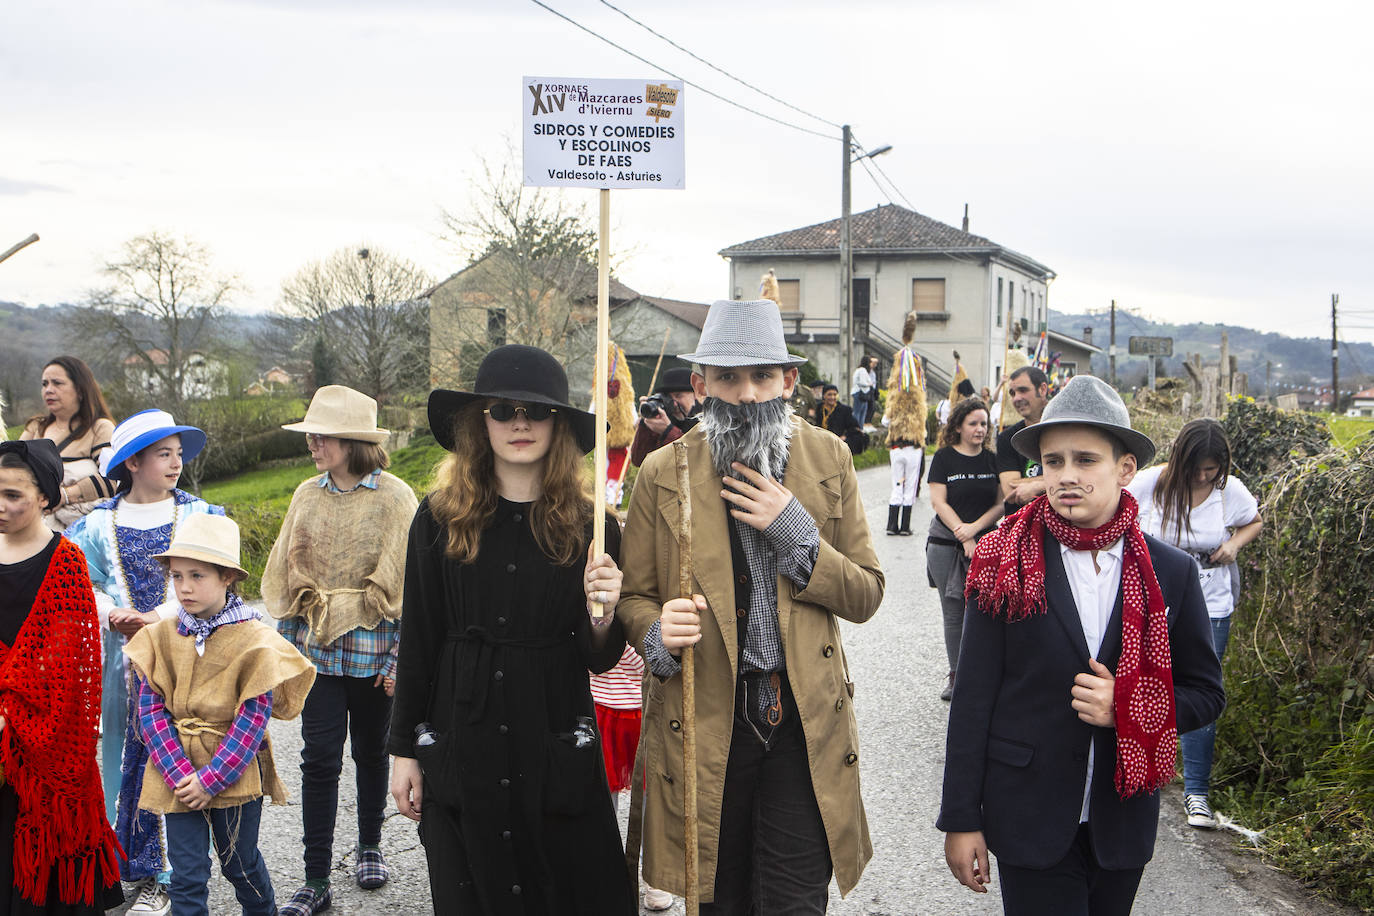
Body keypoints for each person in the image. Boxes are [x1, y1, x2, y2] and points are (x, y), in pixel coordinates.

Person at [620, 299, 885, 912]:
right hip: (705, 715)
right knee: (716, 896)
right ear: (700, 384)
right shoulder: (663, 473)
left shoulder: (829, 459)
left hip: (800, 722)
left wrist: (793, 529)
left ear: (789, 381)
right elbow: (634, 598)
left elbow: (867, 592)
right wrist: (657, 633)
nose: (747, 394)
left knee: (795, 902)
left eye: (763, 376)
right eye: (728, 377)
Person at [938, 374, 1226, 916]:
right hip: (1027, 813)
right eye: (1053, 462)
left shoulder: (1172, 573)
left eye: (1085, 460)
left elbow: (1206, 694)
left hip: (1121, 821)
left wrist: (1129, 706)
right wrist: (961, 818)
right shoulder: (1003, 562)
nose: (1066, 476)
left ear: (1124, 468)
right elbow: (973, 697)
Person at [387, 345, 636, 915]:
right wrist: (404, 751)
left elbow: (599, 656)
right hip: (462, 731)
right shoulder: (439, 517)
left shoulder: (593, 526)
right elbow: (420, 639)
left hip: (552, 730)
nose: (519, 422)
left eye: (537, 410)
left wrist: (602, 616)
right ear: (482, 422)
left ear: (559, 424)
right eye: (502, 410)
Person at [261, 385, 418, 916]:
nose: (313, 442)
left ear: (353, 440)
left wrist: (400, 660)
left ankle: (371, 846)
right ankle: (316, 877)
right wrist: (282, 658)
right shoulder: (307, 494)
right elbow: (287, 574)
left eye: (322, 434)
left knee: (373, 753)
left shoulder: (396, 498)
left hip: (377, 656)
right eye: (311, 433)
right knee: (318, 760)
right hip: (316, 652)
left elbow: (410, 587)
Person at [65, 408, 219, 916]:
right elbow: (78, 580)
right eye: (163, 454)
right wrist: (112, 614)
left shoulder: (200, 515)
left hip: (185, 655)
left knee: (177, 753)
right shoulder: (100, 522)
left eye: (178, 454)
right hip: (123, 662)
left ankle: (176, 871)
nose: (176, 463)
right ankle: (135, 864)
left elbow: (217, 578)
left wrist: (156, 612)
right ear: (131, 462)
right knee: (124, 756)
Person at [124, 514, 316, 916]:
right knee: (187, 875)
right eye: (176, 576)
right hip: (175, 771)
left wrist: (210, 780)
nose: (185, 587)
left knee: (239, 864)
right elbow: (150, 707)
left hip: (232, 770)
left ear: (228, 576)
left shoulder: (255, 641)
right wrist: (180, 774)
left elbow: (252, 719)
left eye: (197, 575)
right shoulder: (160, 636)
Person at [0, 439, 124, 914]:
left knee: (42, 877)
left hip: (41, 737)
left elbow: (69, 667)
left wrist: (10, 714)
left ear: (46, 498)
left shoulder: (65, 563)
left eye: (14, 494)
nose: (3, 506)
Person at [1126, 418, 1261, 830]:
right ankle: (1139, 770)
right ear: (1180, 460)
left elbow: (1253, 521)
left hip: (1211, 603)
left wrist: (1233, 545)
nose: (1204, 477)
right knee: (1138, 685)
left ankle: (1197, 793)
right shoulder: (1149, 485)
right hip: (1150, 607)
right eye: (1197, 469)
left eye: (1212, 469)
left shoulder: (1229, 491)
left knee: (1201, 693)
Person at [925, 398, 1002, 701]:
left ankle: (984, 674)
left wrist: (974, 530)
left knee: (987, 612)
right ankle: (956, 676)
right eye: (973, 423)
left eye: (984, 423)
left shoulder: (993, 460)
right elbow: (938, 502)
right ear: (958, 427)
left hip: (986, 544)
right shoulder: (944, 458)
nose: (980, 429)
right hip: (945, 545)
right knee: (953, 612)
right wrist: (963, 534)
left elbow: (1000, 504)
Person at [20, 356, 117, 531]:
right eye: (45, 384)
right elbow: (10, 469)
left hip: (83, 532)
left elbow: (114, 479)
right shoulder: (36, 428)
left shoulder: (99, 429)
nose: (48, 390)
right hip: (34, 529)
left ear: (80, 389)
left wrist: (63, 495)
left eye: (57, 383)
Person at [883, 312, 928, 536]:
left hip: (895, 448)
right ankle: (904, 527)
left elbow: (884, 420)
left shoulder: (893, 400)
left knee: (896, 486)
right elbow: (925, 429)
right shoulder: (919, 405)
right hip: (913, 449)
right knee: (910, 487)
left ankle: (891, 525)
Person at [996, 365, 1051, 518]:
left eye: (1023, 390)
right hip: (1020, 525)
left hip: (1060, 527)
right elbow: (1010, 490)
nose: (1016, 398)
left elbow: (1082, 477)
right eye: (1012, 393)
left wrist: (1038, 486)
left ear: (1042, 389)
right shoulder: (1007, 438)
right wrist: (1055, 481)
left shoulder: (1065, 429)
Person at [630, 367, 701, 467]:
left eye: (679, 396)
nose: (674, 404)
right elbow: (639, 460)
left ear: (696, 394)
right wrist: (646, 422)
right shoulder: (661, 418)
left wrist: (668, 431)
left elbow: (697, 460)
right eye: (669, 398)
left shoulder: (706, 420)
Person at [815, 384, 865, 455]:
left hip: (838, 439)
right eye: (829, 395)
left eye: (835, 395)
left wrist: (845, 436)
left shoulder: (844, 410)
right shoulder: (818, 408)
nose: (832, 397)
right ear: (824, 396)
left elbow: (854, 427)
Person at [851, 355, 878, 427]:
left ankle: (860, 428)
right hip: (860, 393)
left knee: (862, 412)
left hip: (861, 393)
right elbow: (862, 382)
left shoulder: (860, 370)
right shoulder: (862, 370)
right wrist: (870, 384)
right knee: (859, 412)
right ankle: (857, 427)